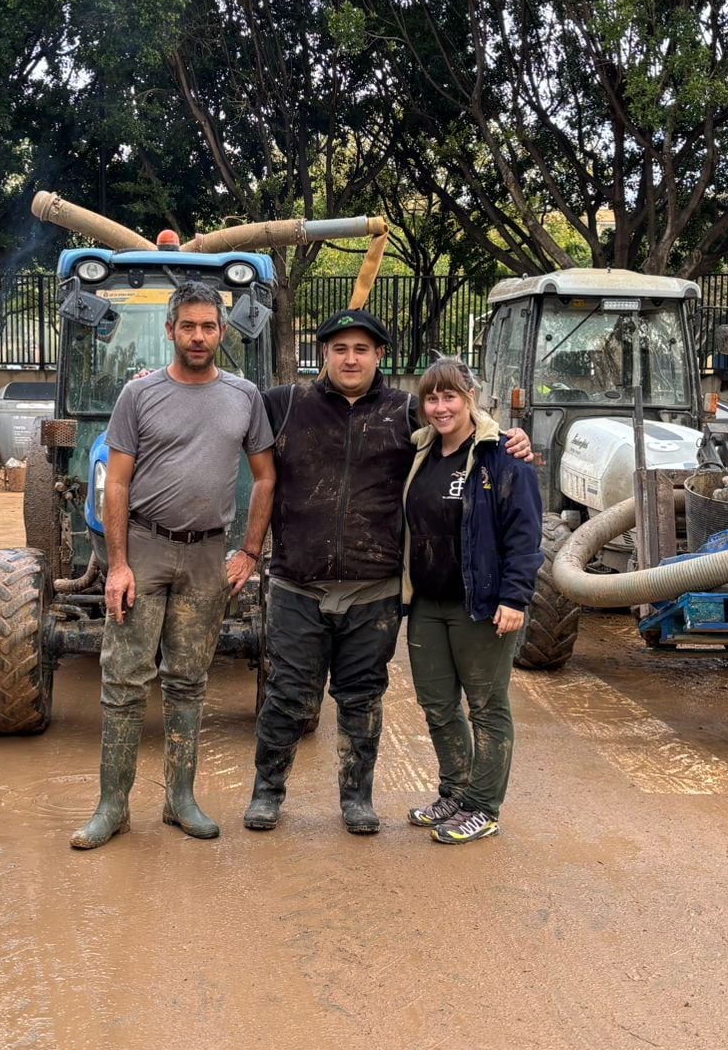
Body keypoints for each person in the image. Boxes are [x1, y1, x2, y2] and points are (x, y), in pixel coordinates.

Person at [246, 311, 531, 835]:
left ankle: (357, 799)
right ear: (324, 353)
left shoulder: (406, 415)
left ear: (380, 356)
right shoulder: (285, 405)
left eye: (362, 348)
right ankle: (268, 793)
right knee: (287, 695)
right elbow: (225, 406)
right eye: (339, 348)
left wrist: (509, 439)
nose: (350, 358)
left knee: (361, 699)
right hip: (295, 584)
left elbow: (463, 431)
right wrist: (159, 380)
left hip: (373, 591)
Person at [72, 281, 276, 850]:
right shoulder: (138, 397)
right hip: (146, 549)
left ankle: (179, 800)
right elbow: (115, 481)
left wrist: (251, 552)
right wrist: (117, 564)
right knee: (124, 680)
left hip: (210, 555)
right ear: (171, 332)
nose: (198, 336)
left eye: (208, 326)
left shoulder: (244, 397)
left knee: (188, 681)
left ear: (222, 331)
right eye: (187, 326)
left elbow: (265, 476)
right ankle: (112, 807)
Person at [401, 358, 543, 844]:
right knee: (438, 705)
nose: (440, 408)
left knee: (485, 705)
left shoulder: (503, 457)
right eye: (432, 398)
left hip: (480, 604)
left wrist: (515, 597)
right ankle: (455, 791)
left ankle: (483, 807)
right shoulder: (421, 452)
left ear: (471, 398)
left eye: (450, 397)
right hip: (426, 603)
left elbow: (525, 535)